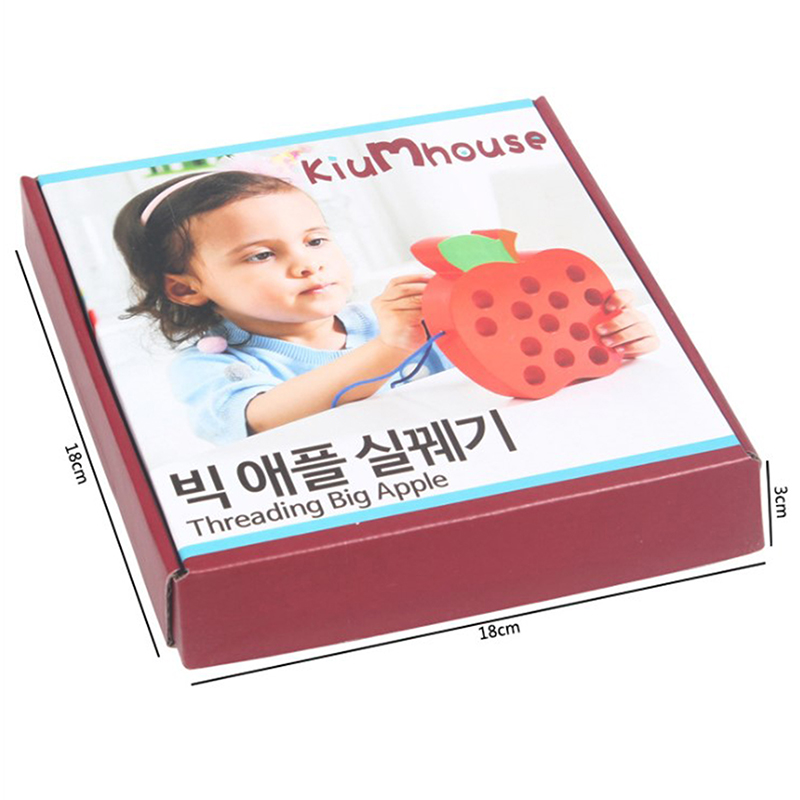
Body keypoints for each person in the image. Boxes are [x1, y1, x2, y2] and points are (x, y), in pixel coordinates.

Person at [114, 169, 658, 446]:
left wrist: (602, 335)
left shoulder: (390, 320)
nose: (307, 264)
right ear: (185, 289)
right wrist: (388, 349)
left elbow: (518, 360)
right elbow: (257, 418)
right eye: (261, 254)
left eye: (316, 240)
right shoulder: (213, 366)